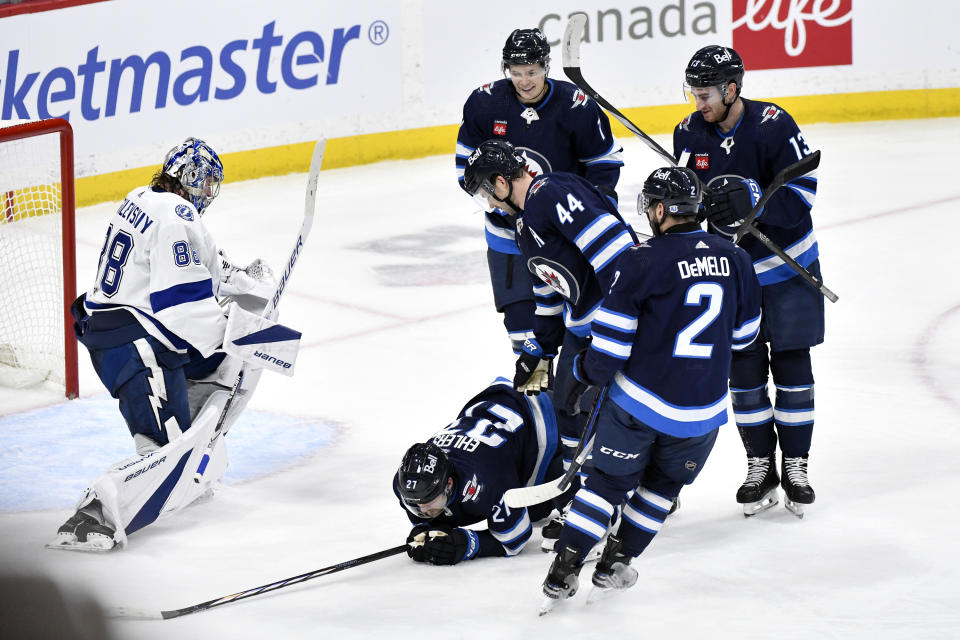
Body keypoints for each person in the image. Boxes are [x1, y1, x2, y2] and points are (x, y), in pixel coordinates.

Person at [538, 167, 762, 611]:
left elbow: (610, 349)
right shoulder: (737, 259)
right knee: (661, 489)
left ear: (660, 210)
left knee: (605, 485)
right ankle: (614, 564)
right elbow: (745, 338)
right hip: (702, 412)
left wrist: (579, 374)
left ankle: (563, 572)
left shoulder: (642, 259)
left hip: (638, 404)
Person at [50, 138, 276, 551]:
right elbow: (183, 307)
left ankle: (186, 464)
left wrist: (252, 288)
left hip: (127, 334)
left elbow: (209, 265)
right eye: (206, 182)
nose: (209, 193)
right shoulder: (176, 214)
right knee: (164, 448)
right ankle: (93, 513)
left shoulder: (145, 198)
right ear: (188, 178)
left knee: (188, 416)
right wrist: (242, 333)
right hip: (134, 342)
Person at [674, 45, 823, 517]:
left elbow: (803, 191)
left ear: (731, 89)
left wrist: (756, 200)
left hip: (787, 268)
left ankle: (795, 463)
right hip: (732, 276)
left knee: (792, 363)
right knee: (743, 373)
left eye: (705, 95)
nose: (699, 104)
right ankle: (760, 462)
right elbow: (688, 205)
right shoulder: (688, 132)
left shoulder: (775, 124)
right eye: (694, 94)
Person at [461, 138, 637, 486]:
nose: (490, 205)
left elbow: (618, 256)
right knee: (566, 408)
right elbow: (549, 292)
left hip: (616, 322)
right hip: (582, 326)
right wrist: (539, 348)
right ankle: (580, 488)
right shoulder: (523, 226)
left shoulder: (553, 192)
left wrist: (616, 325)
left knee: (613, 412)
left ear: (500, 181)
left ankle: (624, 485)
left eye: (486, 193)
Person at [455, 27, 623, 355]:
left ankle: (573, 396)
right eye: (516, 73)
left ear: (546, 66)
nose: (525, 81)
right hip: (507, 238)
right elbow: (466, 167)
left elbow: (604, 163)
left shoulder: (576, 108)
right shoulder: (484, 103)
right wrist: (500, 204)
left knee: (579, 325)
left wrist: (594, 207)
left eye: (532, 72)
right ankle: (537, 397)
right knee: (521, 328)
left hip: (563, 237)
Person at [394, 377, 572, 565]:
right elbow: (428, 514)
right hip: (490, 409)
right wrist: (425, 531)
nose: (423, 511)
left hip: (537, 416)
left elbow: (514, 540)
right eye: (416, 506)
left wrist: (469, 544)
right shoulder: (406, 484)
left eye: (429, 501)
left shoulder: (486, 480)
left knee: (538, 507)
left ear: (449, 484)